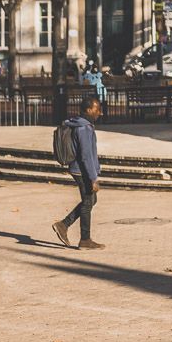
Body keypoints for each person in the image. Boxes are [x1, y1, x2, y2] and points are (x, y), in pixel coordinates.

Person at [53, 95, 105, 250]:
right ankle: (84, 239)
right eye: (97, 109)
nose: (99, 113)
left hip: (79, 169)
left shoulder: (79, 124)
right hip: (82, 171)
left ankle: (64, 225)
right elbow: (86, 155)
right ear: (88, 110)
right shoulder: (84, 128)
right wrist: (93, 177)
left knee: (90, 200)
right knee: (88, 202)